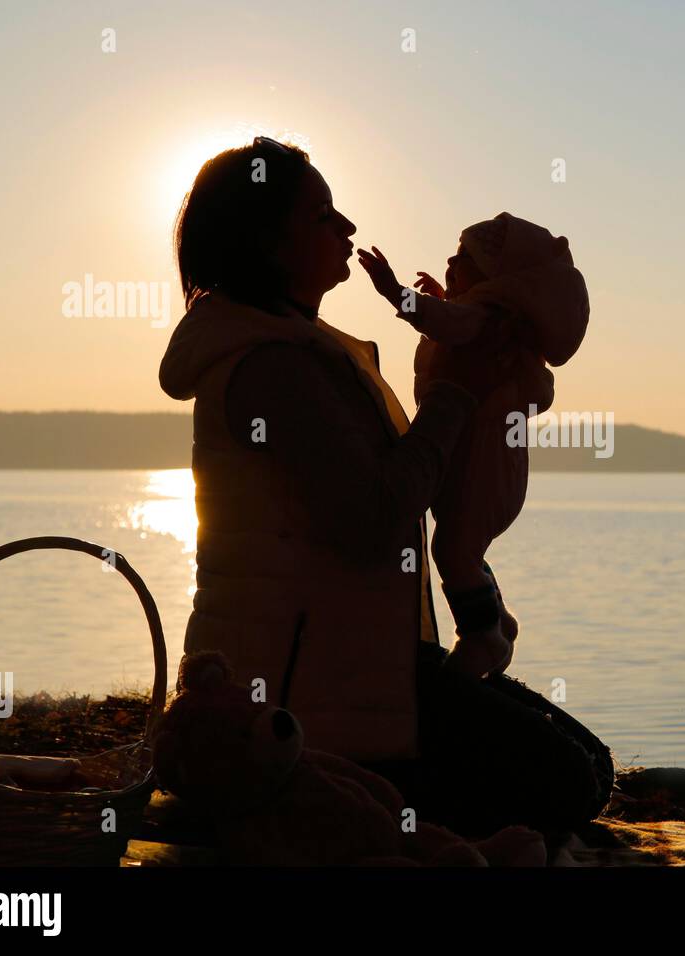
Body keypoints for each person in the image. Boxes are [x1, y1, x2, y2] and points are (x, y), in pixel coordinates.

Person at [158, 137, 611, 842]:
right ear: (267, 241)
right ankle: (333, 804)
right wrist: (458, 393)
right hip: (302, 702)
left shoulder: (311, 350)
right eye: (322, 217)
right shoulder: (273, 368)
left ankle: (386, 808)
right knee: (569, 780)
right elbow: (372, 521)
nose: (347, 229)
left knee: (588, 766)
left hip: (364, 665)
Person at [356, 214, 589, 678]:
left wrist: (395, 292)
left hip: (483, 470)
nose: (449, 259)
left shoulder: (485, 320)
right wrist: (445, 303)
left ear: (497, 280)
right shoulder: (489, 322)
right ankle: (496, 620)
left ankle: (482, 636)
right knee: (462, 548)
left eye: (464, 258)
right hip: (485, 469)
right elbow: (450, 322)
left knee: (453, 550)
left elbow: (445, 322)